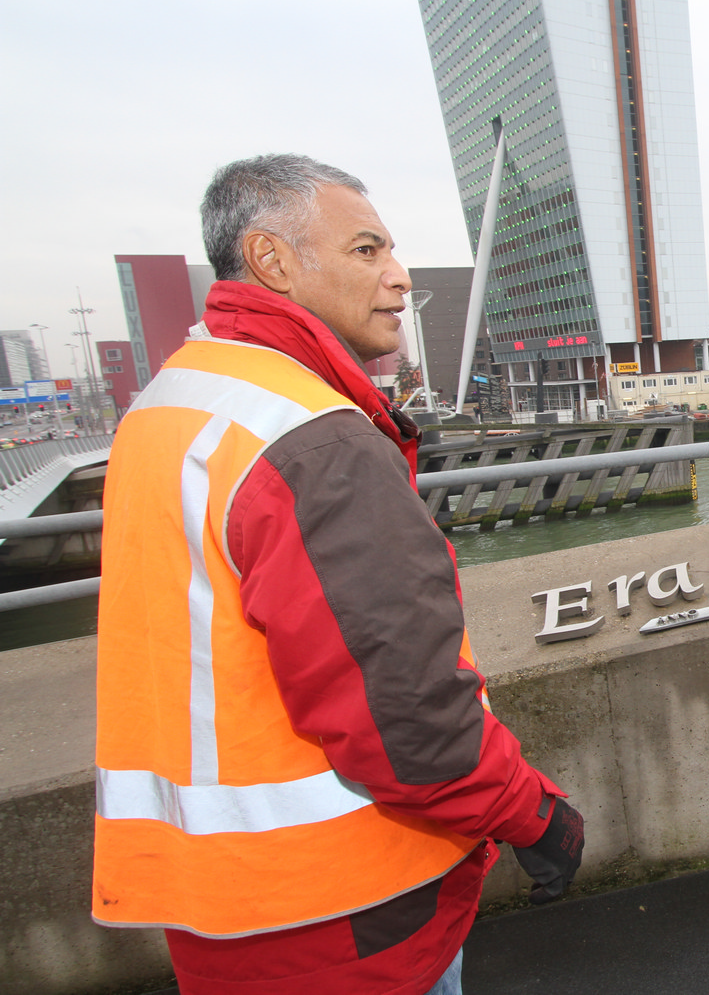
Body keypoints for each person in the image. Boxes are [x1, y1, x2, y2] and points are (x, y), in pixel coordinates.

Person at [92, 154, 584, 995]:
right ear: (271, 259)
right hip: (349, 912)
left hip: (223, 907)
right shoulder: (314, 437)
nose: (398, 276)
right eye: (366, 250)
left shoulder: (173, 402)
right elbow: (405, 713)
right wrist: (534, 814)